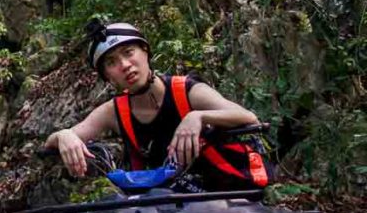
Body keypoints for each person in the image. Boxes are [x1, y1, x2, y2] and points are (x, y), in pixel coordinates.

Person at [46, 21, 268, 188]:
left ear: (145, 52)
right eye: (111, 63)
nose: (124, 65)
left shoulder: (186, 91)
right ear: (108, 77)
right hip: (159, 208)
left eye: (128, 52)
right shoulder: (114, 111)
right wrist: (64, 135)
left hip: (219, 195)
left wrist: (197, 117)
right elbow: (58, 141)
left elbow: (247, 117)